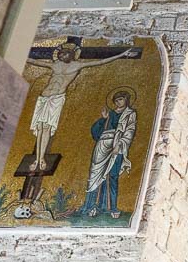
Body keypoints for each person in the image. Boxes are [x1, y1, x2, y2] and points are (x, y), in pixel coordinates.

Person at [23, 39, 139, 174]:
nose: (62, 54)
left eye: (66, 53)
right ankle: (36, 159)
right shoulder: (55, 65)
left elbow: (100, 61)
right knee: (40, 127)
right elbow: (35, 62)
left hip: (56, 99)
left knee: (47, 127)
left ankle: (41, 159)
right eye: (60, 53)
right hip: (44, 98)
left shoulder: (76, 66)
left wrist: (121, 54)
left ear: (72, 54)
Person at [82, 89, 137, 219]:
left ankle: (111, 207)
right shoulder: (110, 113)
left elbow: (130, 131)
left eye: (121, 99)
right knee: (96, 175)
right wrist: (103, 119)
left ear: (126, 100)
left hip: (116, 146)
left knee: (112, 176)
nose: (119, 102)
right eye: (116, 100)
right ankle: (92, 206)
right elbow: (96, 132)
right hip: (102, 146)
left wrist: (120, 144)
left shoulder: (130, 114)